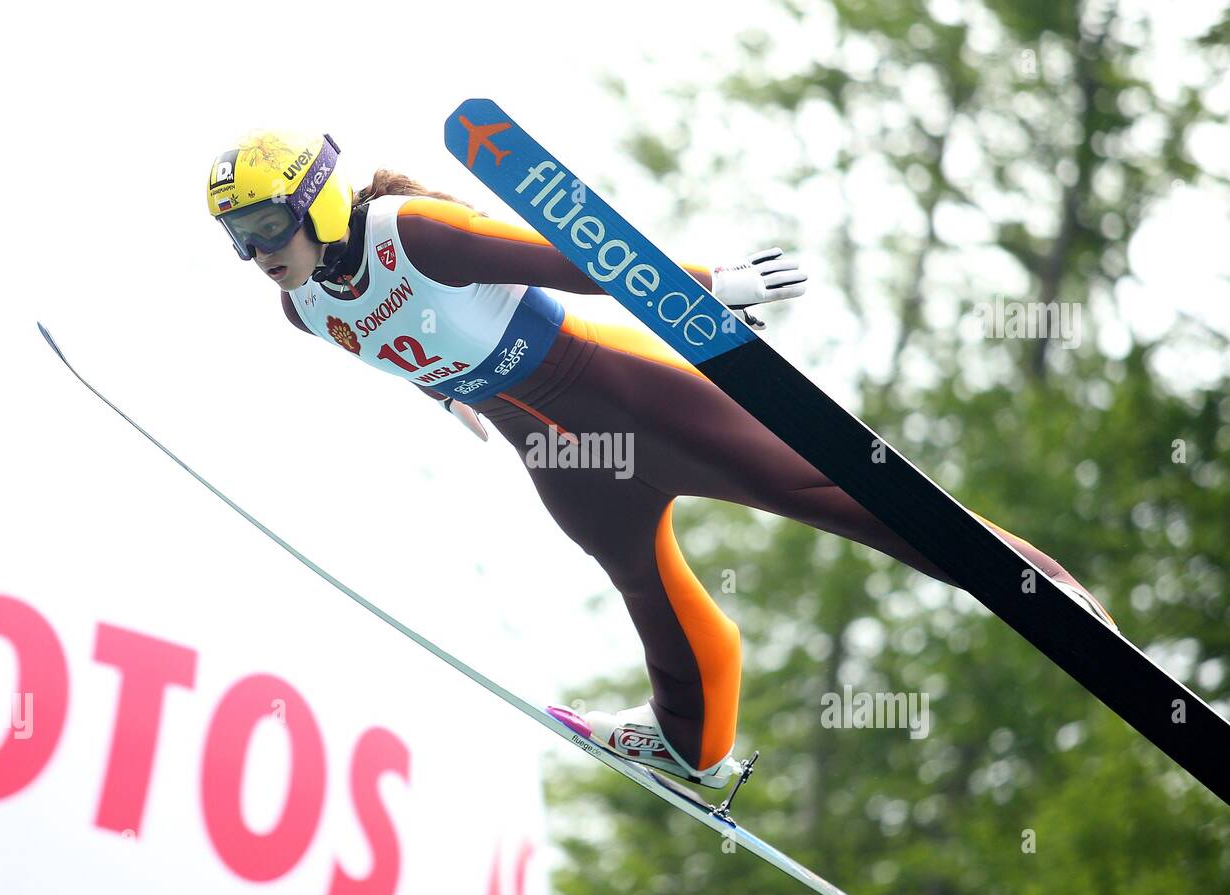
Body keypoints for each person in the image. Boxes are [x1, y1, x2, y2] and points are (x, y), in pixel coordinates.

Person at [207, 129, 1117, 789]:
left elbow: (566, 258)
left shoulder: (415, 233)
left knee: (843, 497)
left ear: (318, 199)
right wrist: (444, 394)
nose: (255, 253)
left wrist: (708, 289)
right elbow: (394, 344)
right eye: (237, 238)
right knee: (649, 592)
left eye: (265, 225)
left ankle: (1042, 589)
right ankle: (694, 745)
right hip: (563, 463)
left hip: (629, 396)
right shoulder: (302, 310)